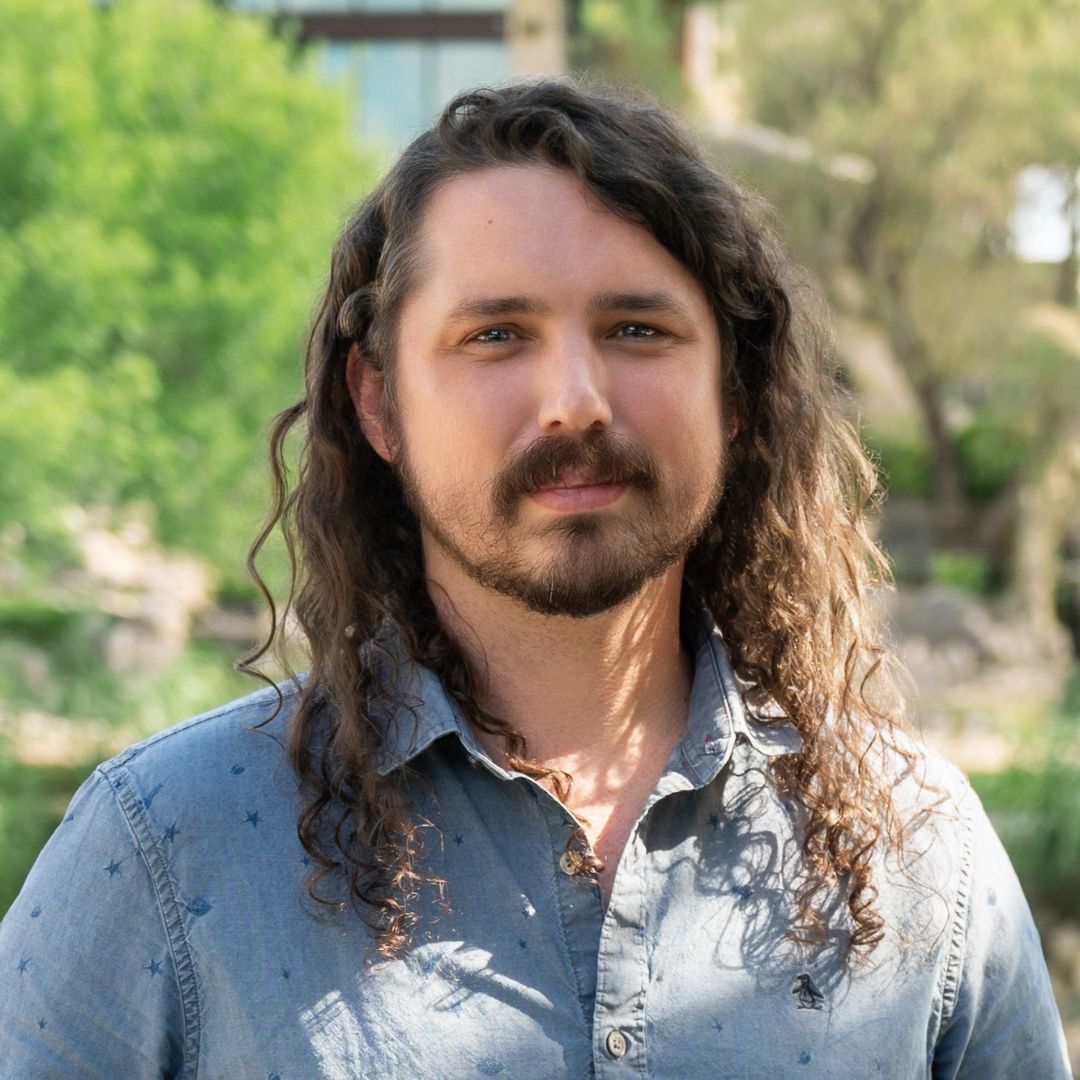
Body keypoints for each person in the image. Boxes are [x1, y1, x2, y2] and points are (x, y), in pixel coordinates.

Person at [0, 78, 1070, 1079]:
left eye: (637, 329)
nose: (574, 400)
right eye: (497, 335)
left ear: (734, 399)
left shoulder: (920, 855)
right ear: (378, 405)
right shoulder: (161, 851)